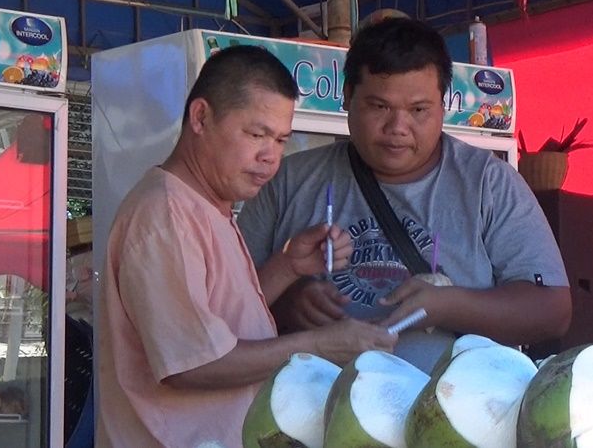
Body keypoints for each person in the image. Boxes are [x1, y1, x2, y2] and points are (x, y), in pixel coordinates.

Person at [96, 45, 398, 448]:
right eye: (257, 135)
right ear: (200, 117)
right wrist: (320, 345)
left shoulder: (208, 205)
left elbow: (221, 323)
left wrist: (288, 266)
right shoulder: (166, 214)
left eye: (281, 140)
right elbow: (193, 364)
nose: (270, 157)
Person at [237, 18, 572, 374]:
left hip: (453, 404)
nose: (397, 128)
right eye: (380, 107)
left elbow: (552, 311)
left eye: (418, 110)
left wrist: (448, 306)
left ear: (443, 105)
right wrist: (287, 304)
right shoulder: (287, 181)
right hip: (308, 402)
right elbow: (222, 307)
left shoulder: (488, 184)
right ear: (347, 96)